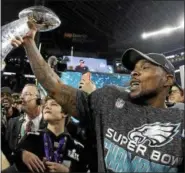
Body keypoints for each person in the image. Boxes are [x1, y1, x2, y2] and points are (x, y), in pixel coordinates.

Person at [11, 22, 184, 172]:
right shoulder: (110, 99)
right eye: (134, 68)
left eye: (145, 67)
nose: (134, 72)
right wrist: (29, 44)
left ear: (168, 79)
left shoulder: (180, 120)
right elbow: (55, 88)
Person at [15, 97, 88, 173]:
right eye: (45, 105)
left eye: (53, 104)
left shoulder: (77, 147)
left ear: (65, 113)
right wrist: (21, 154)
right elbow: (11, 160)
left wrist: (68, 171)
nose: (47, 107)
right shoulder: (31, 137)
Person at [5, 84, 47, 165]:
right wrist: (20, 154)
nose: (21, 97)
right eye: (22, 94)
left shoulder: (49, 124)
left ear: (39, 100)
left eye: (26, 94)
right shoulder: (12, 122)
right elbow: (7, 151)